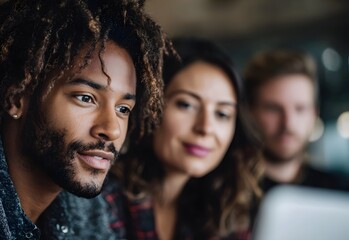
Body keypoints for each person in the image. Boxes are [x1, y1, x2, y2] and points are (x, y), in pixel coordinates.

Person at [0, 0, 173, 239]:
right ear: (17, 98)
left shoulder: (89, 211)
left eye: (123, 109)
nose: (111, 130)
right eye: (85, 98)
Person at [103, 39, 262, 240]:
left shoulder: (223, 213)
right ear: (148, 107)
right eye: (186, 105)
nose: (205, 128)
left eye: (222, 114)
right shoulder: (101, 199)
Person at [243, 50, 349, 194]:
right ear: (250, 112)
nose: (288, 123)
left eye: (300, 109)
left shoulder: (337, 191)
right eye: (273, 109)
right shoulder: (225, 194)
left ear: (314, 114)